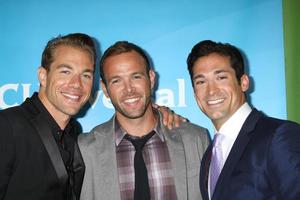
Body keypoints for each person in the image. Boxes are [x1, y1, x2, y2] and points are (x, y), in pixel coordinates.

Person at [0, 33, 185, 200]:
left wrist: (157, 112)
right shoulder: (7, 126)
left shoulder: (74, 134)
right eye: (65, 71)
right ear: (43, 76)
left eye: (86, 75)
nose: (76, 84)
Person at [78, 41, 210, 200]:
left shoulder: (195, 139)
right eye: (116, 81)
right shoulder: (85, 150)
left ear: (151, 78)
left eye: (136, 76)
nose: (129, 89)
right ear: (105, 89)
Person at [186, 40, 300, 200]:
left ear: (244, 82)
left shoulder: (278, 136)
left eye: (221, 77)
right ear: (194, 93)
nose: (211, 91)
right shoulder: (209, 156)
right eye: (201, 82)